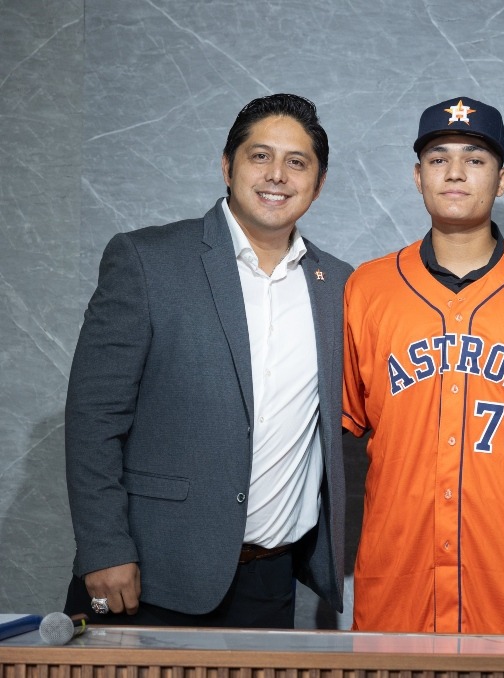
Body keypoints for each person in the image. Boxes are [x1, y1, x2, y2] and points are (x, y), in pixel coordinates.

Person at [64, 93, 352, 627]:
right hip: (145, 575)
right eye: (260, 156)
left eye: (297, 162)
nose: (277, 175)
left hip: (269, 583)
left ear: (319, 183)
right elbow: (94, 418)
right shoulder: (148, 261)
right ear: (227, 166)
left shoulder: (339, 285)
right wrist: (104, 548)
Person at [342, 96, 504, 635]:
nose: (455, 172)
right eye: (438, 158)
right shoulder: (367, 289)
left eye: (475, 159)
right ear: (418, 177)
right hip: (399, 573)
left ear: (502, 180)